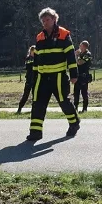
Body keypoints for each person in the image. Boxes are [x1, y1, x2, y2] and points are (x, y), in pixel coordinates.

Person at [27, 8, 80, 144]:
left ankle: (74, 123)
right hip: (42, 77)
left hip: (58, 77)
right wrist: (33, 77)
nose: (45, 22)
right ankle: (35, 132)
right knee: (37, 103)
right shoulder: (40, 37)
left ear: (54, 19)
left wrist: (74, 74)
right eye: (43, 21)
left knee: (64, 102)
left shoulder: (63, 34)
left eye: (48, 20)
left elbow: (70, 55)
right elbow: (37, 59)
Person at [16, 45, 36, 114]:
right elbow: (28, 66)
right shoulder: (28, 59)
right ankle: (20, 108)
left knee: (35, 96)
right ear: (30, 52)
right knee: (25, 95)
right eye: (32, 51)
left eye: (34, 51)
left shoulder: (37, 58)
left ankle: (34, 109)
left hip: (35, 80)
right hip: (29, 80)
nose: (33, 53)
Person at [73, 40, 92, 112]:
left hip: (84, 77)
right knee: (76, 92)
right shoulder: (80, 54)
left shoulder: (87, 54)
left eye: (80, 46)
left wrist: (77, 55)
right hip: (78, 76)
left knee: (84, 93)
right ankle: (75, 108)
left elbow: (80, 62)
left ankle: (84, 109)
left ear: (84, 46)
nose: (79, 47)